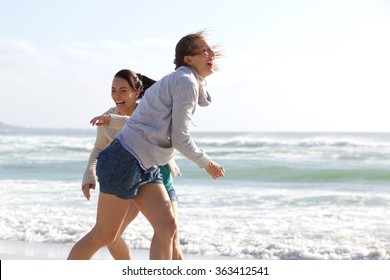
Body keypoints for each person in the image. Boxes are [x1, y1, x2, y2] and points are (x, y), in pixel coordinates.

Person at [67, 31, 225, 260]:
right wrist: (206, 163)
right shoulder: (184, 81)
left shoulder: (188, 81)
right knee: (104, 235)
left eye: (210, 50)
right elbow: (180, 137)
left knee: (168, 228)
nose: (212, 54)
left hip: (146, 165)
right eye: (205, 50)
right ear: (188, 60)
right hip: (125, 161)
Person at [80, 69, 183, 260]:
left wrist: (114, 120)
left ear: (136, 92)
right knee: (110, 234)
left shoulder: (149, 110)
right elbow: (99, 148)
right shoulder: (107, 117)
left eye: (122, 90)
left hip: (161, 174)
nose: (117, 96)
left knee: (171, 236)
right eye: (113, 90)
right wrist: (89, 174)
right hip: (132, 175)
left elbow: (139, 124)